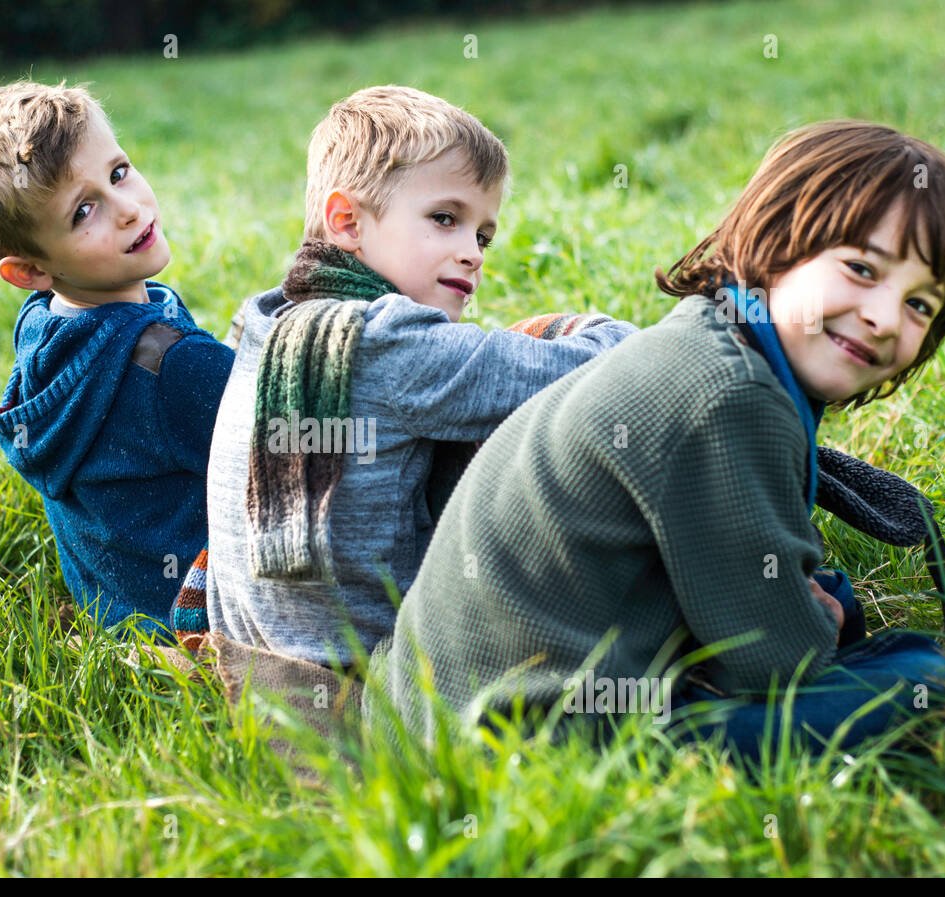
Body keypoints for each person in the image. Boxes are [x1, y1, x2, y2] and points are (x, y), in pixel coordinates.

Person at [369, 120, 945, 759]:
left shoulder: (705, 339)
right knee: (925, 679)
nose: (883, 318)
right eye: (860, 268)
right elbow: (776, 664)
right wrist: (823, 618)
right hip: (541, 747)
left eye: (920, 306)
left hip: (424, 714)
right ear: (776, 240)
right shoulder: (729, 396)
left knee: (850, 612)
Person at [200, 85, 636, 667]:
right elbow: (599, 369)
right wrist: (599, 328)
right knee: (547, 358)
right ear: (348, 222)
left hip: (256, 666)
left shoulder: (268, 322)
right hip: (375, 672)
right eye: (445, 219)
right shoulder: (386, 343)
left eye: (482, 236)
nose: (473, 253)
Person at [0, 80, 233, 635]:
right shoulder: (174, 367)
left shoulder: (41, 328)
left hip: (114, 613)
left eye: (118, 173)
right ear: (31, 272)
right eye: (83, 211)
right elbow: (296, 447)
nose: (128, 208)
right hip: (202, 616)